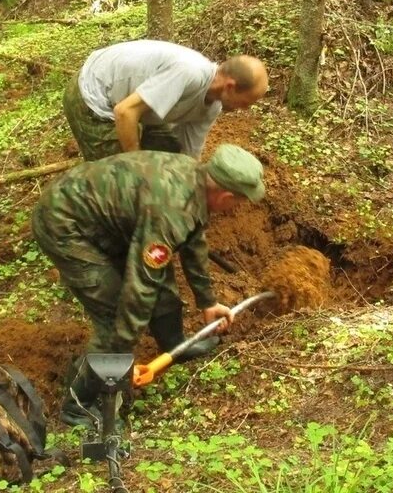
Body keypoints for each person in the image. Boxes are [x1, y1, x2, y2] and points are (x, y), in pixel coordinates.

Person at [32, 144, 265, 428]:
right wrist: (122, 353)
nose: (237, 207)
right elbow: (140, 287)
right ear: (227, 196)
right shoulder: (171, 210)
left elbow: (193, 240)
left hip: (106, 218)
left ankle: (174, 344)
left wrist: (207, 301)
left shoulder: (194, 178)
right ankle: (80, 404)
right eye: (239, 201)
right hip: (66, 223)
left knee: (162, 285)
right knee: (114, 311)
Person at [64, 40, 268, 161]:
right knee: (120, 176)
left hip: (131, 102)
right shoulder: (190, 73)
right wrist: (136, 165)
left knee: (168, 154)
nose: (244, 109)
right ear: (230, 86)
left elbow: (187, 156)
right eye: (245, 103)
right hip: (93, 94)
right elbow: (124, 112)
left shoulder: (212, 107)